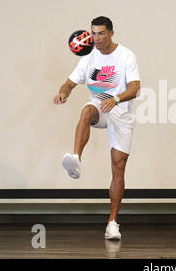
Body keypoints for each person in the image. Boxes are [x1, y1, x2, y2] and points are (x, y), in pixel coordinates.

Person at [53, 16, 141, 240]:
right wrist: (64, 92)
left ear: (111, 33)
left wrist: (117, 98)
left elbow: (135, 88)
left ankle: (112, 222)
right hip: (99, 105)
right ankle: (76, 159)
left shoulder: (126, 55)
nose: (96, 38)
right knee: (86, 111)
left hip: (120, 110)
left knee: (118, 167)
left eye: (101, 33)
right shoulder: (88, 56)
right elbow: (69, 83)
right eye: (93, 33)